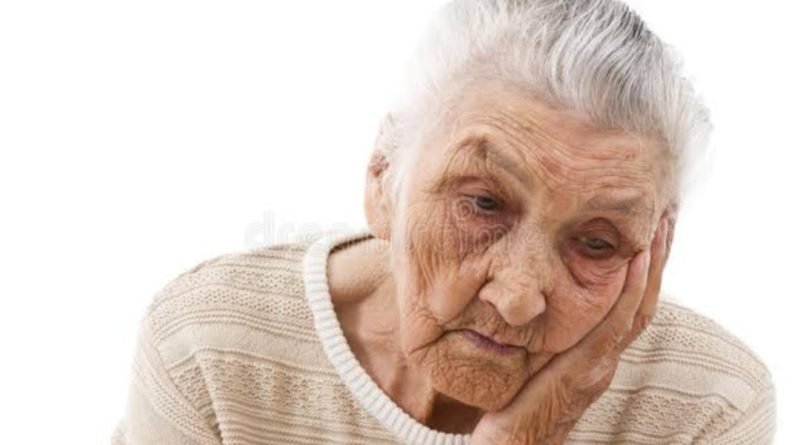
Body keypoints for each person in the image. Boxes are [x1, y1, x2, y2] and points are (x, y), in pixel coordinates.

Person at [111, 0, 776, 443]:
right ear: (383, 177)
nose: (517, 298)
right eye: (483, 204)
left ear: (656, 247)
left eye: (597, 242)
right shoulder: (211, 347)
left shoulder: (708, 406)